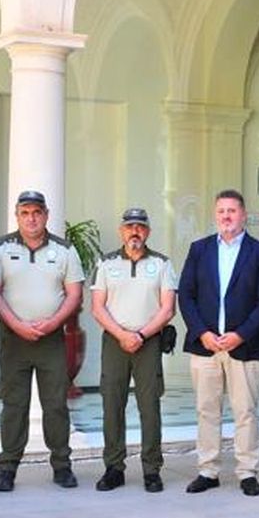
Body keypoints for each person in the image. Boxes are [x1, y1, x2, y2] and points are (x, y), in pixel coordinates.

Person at [179, 189, 259, 496]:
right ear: (215, 215)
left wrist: (239, 334)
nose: (226, 216)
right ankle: (208, 471)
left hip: (244, 346)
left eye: (232, 211)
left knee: (245, 411)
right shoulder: (199, 250)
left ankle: (247, 471)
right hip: (206, 346)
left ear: (244, 214)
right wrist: (203, 333)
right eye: (221, 211)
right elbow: (186, 295)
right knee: (206, 410)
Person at [0, 191, 85, 491]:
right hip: (14, 340)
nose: (31, 218)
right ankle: (7, 468)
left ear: (46, 214)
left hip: (51, 339)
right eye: (25, 212)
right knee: (14, 405)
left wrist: (53, 322)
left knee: (55, 404)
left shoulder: (65, 249)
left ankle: (62, 466)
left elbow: (75, 294)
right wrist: (16, 325)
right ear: (17, 215)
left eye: (37, 212)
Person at [91, 207, 178, 493]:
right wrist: (123, 335)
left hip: (148, 341)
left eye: (140, 227)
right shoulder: (106, 263)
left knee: (149, 407)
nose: (134, 232)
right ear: (121, 231)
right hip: (115, 342)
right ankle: (114, 467)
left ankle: (152, 469)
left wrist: (140, 334)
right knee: (111, 405)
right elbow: (97, 307)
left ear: (148, 232)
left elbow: (167, 309)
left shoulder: (163, 264)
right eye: (129, 227)